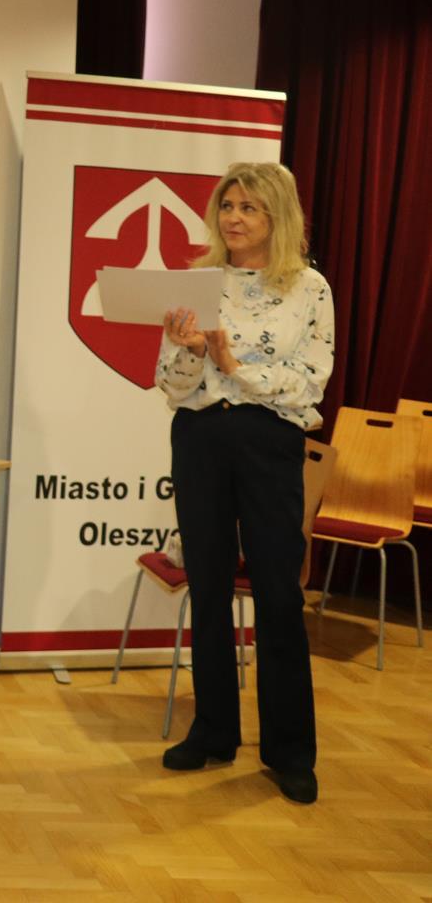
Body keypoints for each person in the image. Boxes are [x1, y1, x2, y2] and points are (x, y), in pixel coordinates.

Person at [156, 161, 334, 805]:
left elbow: (310, 385)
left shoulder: (309, 287)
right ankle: (212, 732)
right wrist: (188, 351)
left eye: (248, 208)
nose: (233, 218)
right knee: (207, 588)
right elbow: (170, 386)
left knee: (277, 597)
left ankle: (290, 752)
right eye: (227, 206)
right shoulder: (198, 281)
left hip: (269, 443)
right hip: (200, 438)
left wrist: (235, 365)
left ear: (276, 216)